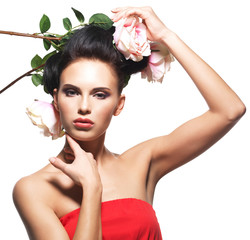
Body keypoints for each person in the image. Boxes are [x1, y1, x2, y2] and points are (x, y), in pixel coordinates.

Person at [12, 6, 246, 240]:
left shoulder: (142, 163)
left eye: (100, 94)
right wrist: (92, 189)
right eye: (72, 92)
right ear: (56, 100)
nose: (84, 106)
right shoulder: (33, 190)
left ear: (119, 104)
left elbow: (229, 110)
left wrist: (166, 35)